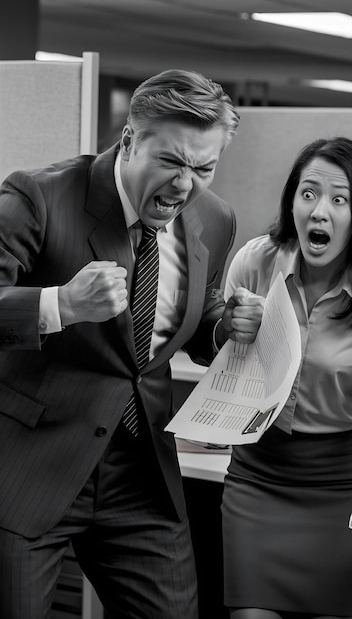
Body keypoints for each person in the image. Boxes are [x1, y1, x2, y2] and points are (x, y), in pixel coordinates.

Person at [0, 69, 240, 619]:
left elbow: (195, 323)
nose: (185, 185)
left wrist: (227, 328)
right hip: (33, 468)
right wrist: (59, 304)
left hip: (142, 473)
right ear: (129, 140)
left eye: (203, 167)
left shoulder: (213, 218)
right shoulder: (38, 195)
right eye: (172, 162)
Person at [220, 136, 352, 619]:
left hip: (341, 488)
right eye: (309, 193)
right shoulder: (256, 261)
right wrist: (226, 328)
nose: (320, 211)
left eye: (340, 200)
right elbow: (226, 360)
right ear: (292, 199)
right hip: (259, 479)